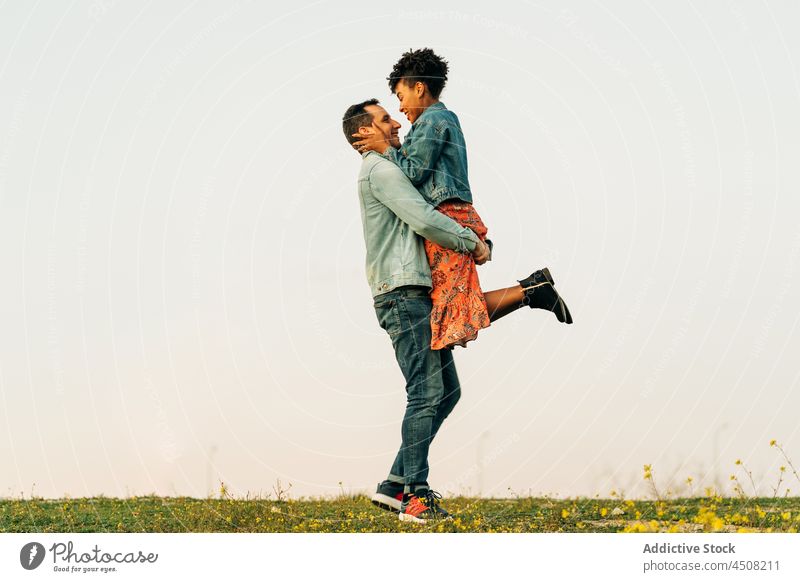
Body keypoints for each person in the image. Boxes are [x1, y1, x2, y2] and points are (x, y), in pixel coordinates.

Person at [343, 99, 569, 523]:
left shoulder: (385, 166)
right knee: (425, 393)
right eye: (384, 119)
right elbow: (423, 218)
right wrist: (471, 242)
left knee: (446, 391)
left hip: (412, 290)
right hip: (401, 293)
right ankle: (415, 496)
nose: (395, 124)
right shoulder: (380, 170)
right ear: (362, 134)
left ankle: (395, 485)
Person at [353, 48, 572, 351]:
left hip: (449, 216)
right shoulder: (434, 121)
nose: (401, 109)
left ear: (419, 88)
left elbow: (414, 172)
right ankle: (532, 290)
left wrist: (386, 148)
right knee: (454, 307)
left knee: (453, 311)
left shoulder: (433, 121)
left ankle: (531, 290)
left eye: (401, 97)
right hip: (455, 215)